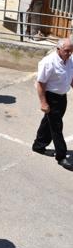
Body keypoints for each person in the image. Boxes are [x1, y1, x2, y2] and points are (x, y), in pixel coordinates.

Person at [32, 38, 73, 170]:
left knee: (49, 121)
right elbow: (40, 84)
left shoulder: (69, 60)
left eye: (71, 51)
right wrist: (43, 103)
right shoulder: (48, 62)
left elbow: (70, 77)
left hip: (62, 97)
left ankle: (38, 145)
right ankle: (61, 156)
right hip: (51, 97)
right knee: (56, 126)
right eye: (66, 51)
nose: (69, 53)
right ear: (58, 49)